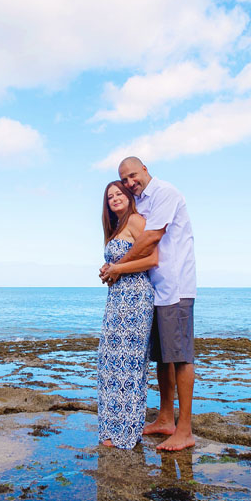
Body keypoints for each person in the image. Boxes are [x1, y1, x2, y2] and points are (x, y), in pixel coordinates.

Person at [100, 157, 196, 451]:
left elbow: (152, 238)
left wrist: (117, 266)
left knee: (179, 356)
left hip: (175, 286)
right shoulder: (140, 203)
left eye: (132, 176)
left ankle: (185, 430)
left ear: (144, 169)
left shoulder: (164, 193)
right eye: (124, 180)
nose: (129, 183)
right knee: (161, 356)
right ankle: (166, 418)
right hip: (154, 289)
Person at [97, 180, 159, 449]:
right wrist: (108, 269)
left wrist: (118, 270)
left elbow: (153, 259)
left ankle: (128, 431)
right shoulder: (115, 227)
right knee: (109, 362)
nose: (115, 198)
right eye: (110, 197)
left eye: (119, 193)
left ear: (129, 196)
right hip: (116, 300)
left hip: (135, 298)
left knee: (130, 364)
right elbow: (120, 262)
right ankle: (110, 429)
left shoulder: (135, 220)